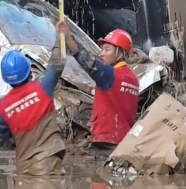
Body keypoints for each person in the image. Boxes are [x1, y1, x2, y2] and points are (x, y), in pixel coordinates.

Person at [56, 19, 139, 156]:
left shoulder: (110, 75)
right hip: (123, 143)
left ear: (119, 53)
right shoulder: (133, 79)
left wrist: (68, 37)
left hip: (106, 144)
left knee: (100, 177)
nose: (101, 53)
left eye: (107, 49)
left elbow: (86, 61)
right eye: (102, 49)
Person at [0, 50, 67, 175]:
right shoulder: (42, 86)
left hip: (24, 168)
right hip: (50, 163)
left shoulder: (2, 108)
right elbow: (58, 61)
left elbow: (7, 140)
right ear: (29, 71)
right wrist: (61, 35)